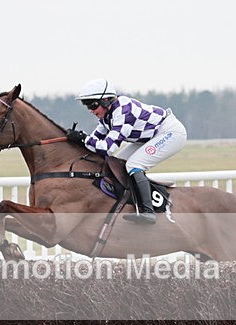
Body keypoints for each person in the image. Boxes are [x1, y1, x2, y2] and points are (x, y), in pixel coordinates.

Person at [67, 79, 187, 224]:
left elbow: (106, 148)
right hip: (149, 137)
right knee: (116, 164)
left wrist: (83, 138)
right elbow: (95, 143)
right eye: (87, 106)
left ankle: (147, 212)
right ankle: (130, 203)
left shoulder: (123, 111)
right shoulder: (106, 116)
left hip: (170, 133)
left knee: (133, 165)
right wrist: (78, 140)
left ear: (106, 100)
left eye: (93, 105)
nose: (91, 110)